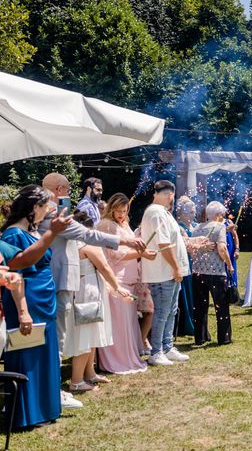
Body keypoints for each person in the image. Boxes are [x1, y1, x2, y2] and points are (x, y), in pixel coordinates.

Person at [41, 172, 144, 409]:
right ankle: (56, 391)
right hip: (62, 281)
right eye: (66, 190)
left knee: (60, 338)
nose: (68, 195)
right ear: (59, 190)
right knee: (59, 339)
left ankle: (57, 387)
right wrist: (126, 241)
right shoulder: (54, 217)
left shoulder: (48, 216)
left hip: (57, 281)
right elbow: (89, 235)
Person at [0, 185, 63, 428]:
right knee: (28, 351)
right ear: (34, 207)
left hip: (44, 299)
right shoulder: (13, 235)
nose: (49, 209)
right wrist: (23, 310)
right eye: (46, 204)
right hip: (27, 298)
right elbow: (22, 265)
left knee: (44, 353)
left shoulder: (34, 231)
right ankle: (28, 412)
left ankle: (46, 408)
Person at [66, 211, 138, 390]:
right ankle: (76, 381)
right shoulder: (87, 245)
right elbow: (105, 267)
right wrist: (118, 288)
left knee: (91, 335)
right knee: (86, 336)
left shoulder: (72, 244)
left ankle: (90, 373)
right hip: (88, 293)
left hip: (86, 289)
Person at [97, 194, 154, 374]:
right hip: (116, 279)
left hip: (129, 278)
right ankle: (116, 360)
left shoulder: (124, 223)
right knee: (118, 323)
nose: (121, 214)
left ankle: (128, 355)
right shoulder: (106, 224)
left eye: (124, 211)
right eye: (118, 211)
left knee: (127, 322)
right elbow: (115, 254)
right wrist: (141, 254)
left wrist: (141, 250)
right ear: (111, 208)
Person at [140, 180, 190, 365]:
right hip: (162, 273)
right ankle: (156, 351)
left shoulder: (163, 213)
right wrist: (176, 267)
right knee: (162, 312)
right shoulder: (156, 213)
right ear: (170, 195)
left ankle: (167, 347)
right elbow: (163, 244)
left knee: (171, 311)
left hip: (168, 272)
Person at [191, 201, 234, 344]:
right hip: (215, 272)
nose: (223, 217)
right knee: (221, 306)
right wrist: (229, 264)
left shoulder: (197, 227)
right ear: (217, 215)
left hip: (197, 271)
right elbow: (222, 249)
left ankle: (200, 337)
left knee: (200, 306)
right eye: (222, 215)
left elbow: (193, 248)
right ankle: (224, 337)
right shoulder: (220, 226)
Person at [174, 196, 196, 336]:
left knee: (193, 291)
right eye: (190, 212)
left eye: (193, 212)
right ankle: (186, 324)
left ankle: (194, 319)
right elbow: (186, 244)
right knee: (186, 292)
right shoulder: (179, 226)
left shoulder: (193, 225)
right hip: (185, 261)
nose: (193, 215)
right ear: (182, 213)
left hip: (195, 262)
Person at [224, 211, 240, 291]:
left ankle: (233, 292)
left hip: (230, 250)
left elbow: (235, 236)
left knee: (232, 270)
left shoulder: (228, 221)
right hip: (221, 250)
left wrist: (237, 249)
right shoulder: (214, 223)